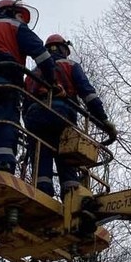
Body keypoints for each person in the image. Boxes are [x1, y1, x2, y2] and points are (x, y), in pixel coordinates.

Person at [0, 0, 57, 175]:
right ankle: (4, 166)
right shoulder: (13, 26)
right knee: (5, 123)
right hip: (6, 85)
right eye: (20, 14)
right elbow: (42, 55)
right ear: (9, 11)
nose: (22, 19)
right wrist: (52, 81)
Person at [22, 34, 117, 198]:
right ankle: (72, 197)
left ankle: (42, 194)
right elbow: (89, 95)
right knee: (67, 156)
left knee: (40, 153)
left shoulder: (33, 73)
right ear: (61, 48)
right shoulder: (70, 65)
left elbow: (25, 104)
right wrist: (103, 120)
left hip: (35, 117)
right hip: (62, 115)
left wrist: (29, 124)